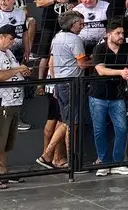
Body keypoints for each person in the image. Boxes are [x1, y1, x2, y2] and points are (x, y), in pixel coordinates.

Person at [36, 11, 89, 170]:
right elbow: (82, 64)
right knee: (71, 122)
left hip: (59, 83)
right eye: (80, 23)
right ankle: (63, 159)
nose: (82, 26)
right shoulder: (75, 39)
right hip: (71, 84)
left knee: (67, 121)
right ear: (73, 25)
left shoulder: (57, 37)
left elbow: (52, 61)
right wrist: (95, 60)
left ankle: (48, 155)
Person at [0, 26, 31, 189]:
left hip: (14, 102)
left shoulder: (8, 53)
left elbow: (11, 72)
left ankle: (4, 173)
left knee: (6, 142)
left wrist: (22, 72)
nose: (13, 41)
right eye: (11, 38)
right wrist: (18, 69)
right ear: (1, 37)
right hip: (0, 102)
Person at [88, 19, 128, 176]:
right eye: (117, 33)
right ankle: (103, 161)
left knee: (121, 129)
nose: (121, 36)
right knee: (99, 130)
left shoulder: (127, 47)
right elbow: (101, 70)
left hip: (118, 96)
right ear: (109, 34)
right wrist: (121, 72)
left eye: (122, 33)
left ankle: (118, 162)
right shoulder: (100, 49)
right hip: (99, 96)